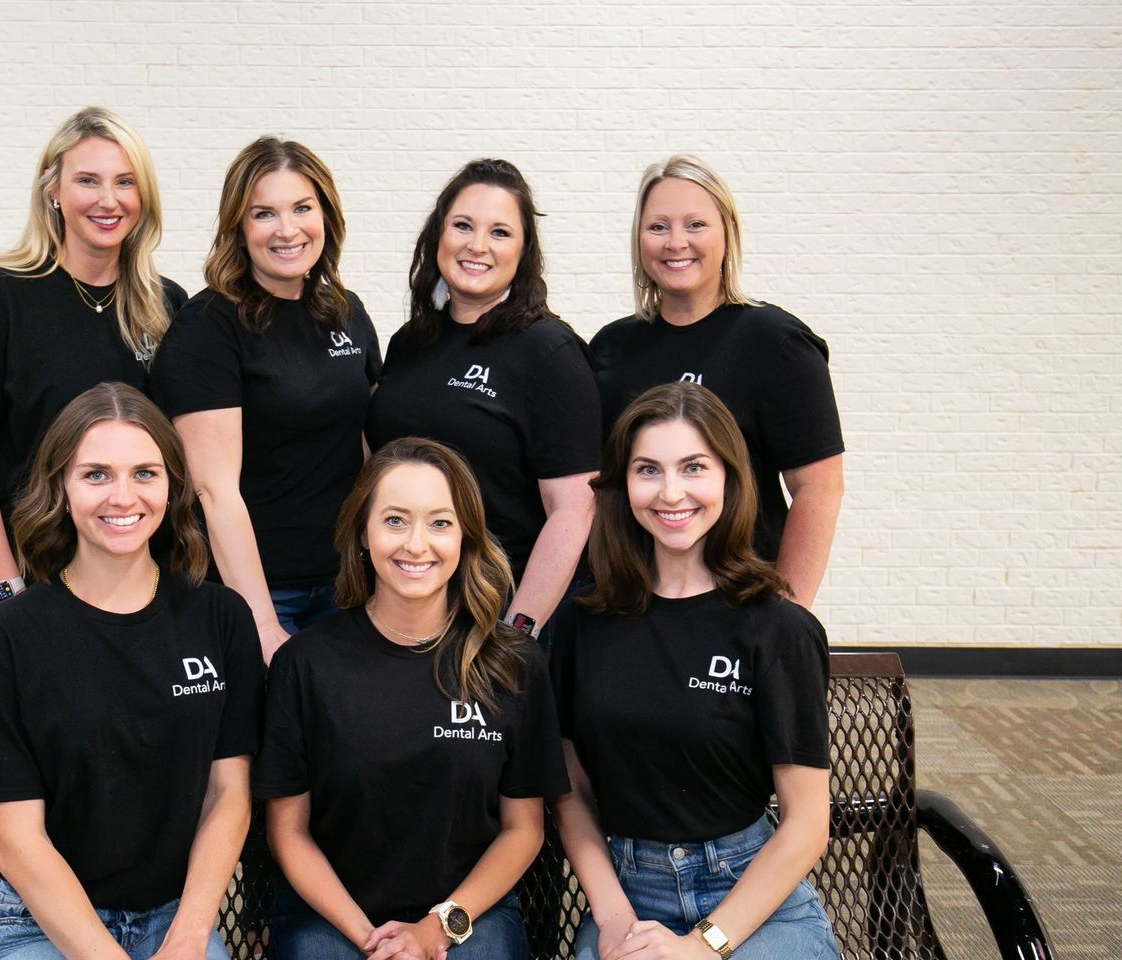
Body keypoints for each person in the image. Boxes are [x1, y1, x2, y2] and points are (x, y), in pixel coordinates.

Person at [0, 382, 264, 960]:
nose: (124, 496)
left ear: (172, 486)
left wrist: (193, 933)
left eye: (145, 473)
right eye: (96, 474)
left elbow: (229, 791)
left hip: (175, 920)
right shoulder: (7, 639)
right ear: (60, 487)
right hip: (38, 922)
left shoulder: (220, 619)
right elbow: (16, 840)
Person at [550, 382, 837, 960]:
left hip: (752, 899)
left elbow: (807, 824)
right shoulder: (584, 620)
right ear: (622, 484)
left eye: (694, 468)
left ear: (729, 479)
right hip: (629, 895)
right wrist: (611, 917)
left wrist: (704, 947)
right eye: (648, 470)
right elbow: (570, 790)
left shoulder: (778, 627)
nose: (671, 492)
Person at [256, 437, 569, 960]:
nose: (416, 544)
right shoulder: (305, 664)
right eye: (395, 520)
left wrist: (436, 929)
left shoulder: (512, 664)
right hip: (332, 917)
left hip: (470, 913)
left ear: (466, 537)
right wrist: (370, 939)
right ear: (362, 532)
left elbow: (523, 830)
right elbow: (288, 833)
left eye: (440, 523)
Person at [0, 106, 187, 646]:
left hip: (131, 593)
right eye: (87, 181)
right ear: (53, 190)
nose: (108, 199)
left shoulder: (165, 305)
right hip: (19, 587)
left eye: (125, 182)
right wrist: (8, 596)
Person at [152, 136, 379, 663]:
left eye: (302, 208)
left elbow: (367, 447)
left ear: (326, 215)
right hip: (259, 591)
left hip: (347, 584)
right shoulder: (209, 327)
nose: (287, 229)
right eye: (264, 213)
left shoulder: (345, 312)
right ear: (238, 226)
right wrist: (260, 621)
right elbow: (213, 488)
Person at [590, 154, 843, 608]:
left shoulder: (776, 343)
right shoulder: (610, 348)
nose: (676, 242)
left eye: (696, 224)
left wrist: (788, 613)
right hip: (633, 603)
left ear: (727, 234)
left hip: (741, 601)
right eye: (658, 227)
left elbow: (820, 488)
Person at [366, 159, 599, 641]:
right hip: (406, 599)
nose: (477, 245)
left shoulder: (548, 351)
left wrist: (519, 628)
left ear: (523, 250)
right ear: (438, 236)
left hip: (497, 607)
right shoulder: (411, 341)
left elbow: (574, 510)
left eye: (499, 232)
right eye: (463, 226)